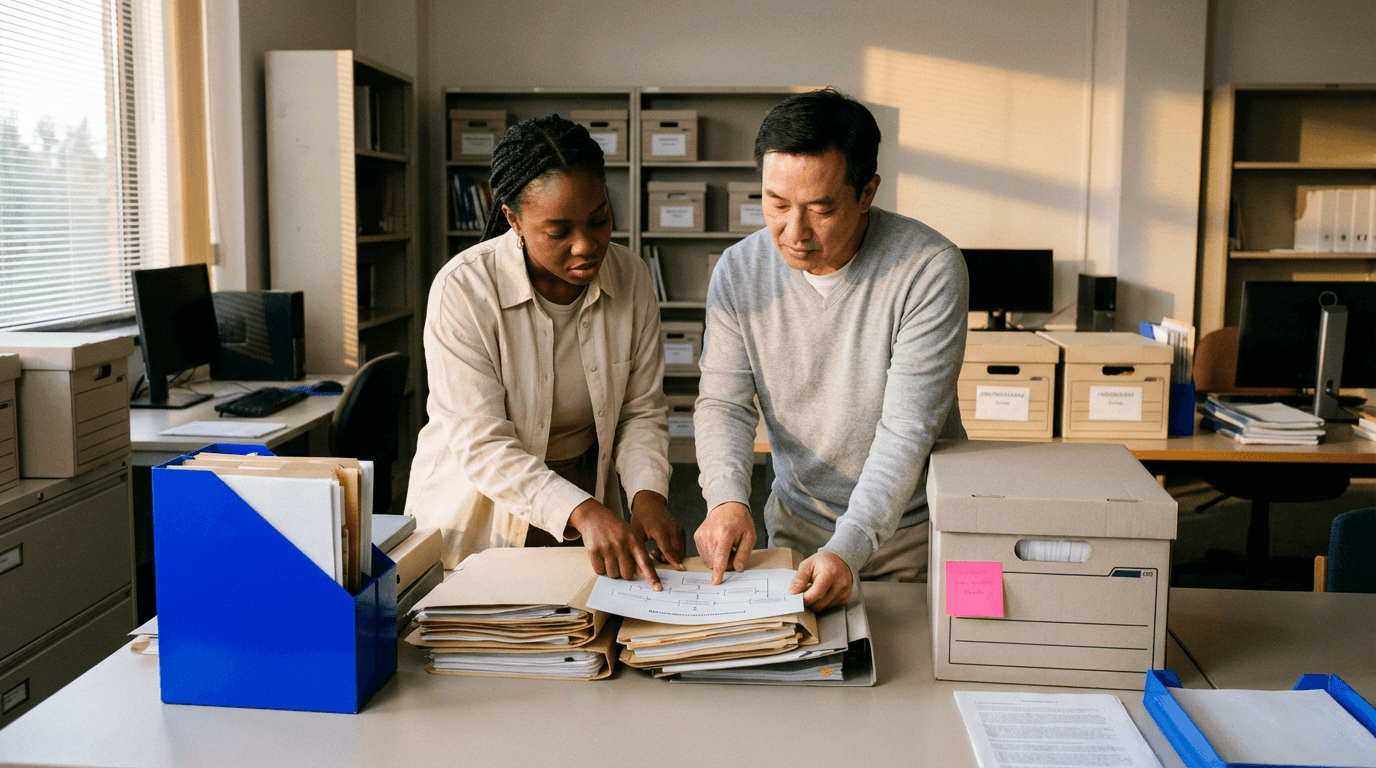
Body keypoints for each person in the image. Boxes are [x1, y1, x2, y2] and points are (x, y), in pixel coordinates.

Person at [693, 88, 968, 611]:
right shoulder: (739, 269)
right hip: (793, 523)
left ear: (867, 192)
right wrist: (726, 498)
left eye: (820, 209)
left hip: (907, 532)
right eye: (776, 204)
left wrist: (849, 545)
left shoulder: (929, 268)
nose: (793, 233)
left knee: (897, 681)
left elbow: (906, 429)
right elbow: (724, 403)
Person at [405, 114, 685, 587]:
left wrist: (647, 495)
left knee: (578, 641)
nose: (586, 246)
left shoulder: (632, 278)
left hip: (581, 497)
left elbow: (640, 412)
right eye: (559, 231)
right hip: (480, 506)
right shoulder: (464, 289)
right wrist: (582, 510)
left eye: (599, 220)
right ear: (514, 218)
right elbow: (483, 442)